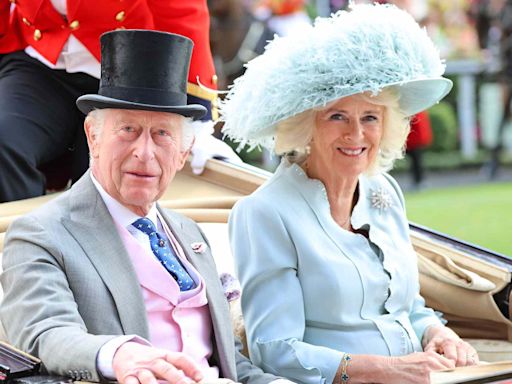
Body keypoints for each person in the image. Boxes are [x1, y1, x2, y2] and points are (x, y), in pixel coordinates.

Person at [0, 30, 287, 384]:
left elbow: (229, 361)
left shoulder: (190, 232)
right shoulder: (40, 234)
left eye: (162, 134)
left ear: (184, 153)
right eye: (128, 130)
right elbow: (47, 334)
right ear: (93, 136)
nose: (145, 153)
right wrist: (119, 354)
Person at [221, 4, 479, 384]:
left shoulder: (383, 190)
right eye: (337, 116)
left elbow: (404, 307)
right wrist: (388, 370)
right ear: (305, 125)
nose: (356, 135)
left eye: (370, 117)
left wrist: (436, 333)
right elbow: (274, 348)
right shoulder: (264, 213)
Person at [0, 0, 240, 203]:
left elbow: (181, 12)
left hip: (127, 66)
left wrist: (198, 121)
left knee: (109, 175)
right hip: (39, 62)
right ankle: (19, 243)